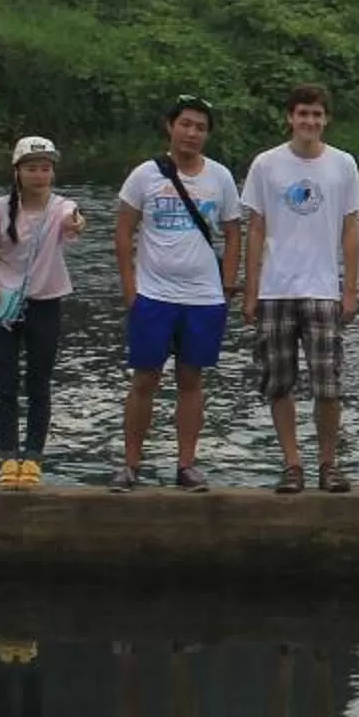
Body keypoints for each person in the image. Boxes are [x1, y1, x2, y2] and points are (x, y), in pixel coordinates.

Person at [239, 85, 359, 496]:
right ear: (289, 117)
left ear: (326, 119)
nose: (309, 121)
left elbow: (350, 230)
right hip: (276, 289)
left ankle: (329, 463)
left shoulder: (343, 164)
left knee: (328, 384)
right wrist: (250, 288)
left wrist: (350, 289)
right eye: (302, 114)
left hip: (323, 287)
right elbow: (255, 228)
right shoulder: (266, 164)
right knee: (280, 381)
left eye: (317, 114)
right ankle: (292, 464)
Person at [114, 97, 241, 492]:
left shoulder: (219, 177)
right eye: (185, 124)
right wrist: (130, 289)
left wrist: (228, 283)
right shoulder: (145, 175)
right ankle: (131, 465)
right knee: (144, 379)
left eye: (200, 127)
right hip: (153, 294)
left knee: (191, 380)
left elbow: (234, 231)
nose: (192, 133)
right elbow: (123, 230)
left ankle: (186, 465)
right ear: (170, 127)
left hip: (203, 297)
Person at [0, 134, 83, 487]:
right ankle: (8, 455)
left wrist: (77, 223)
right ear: (17, 172)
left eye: (46, 169)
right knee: (5, 383)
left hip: (46, 302)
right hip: (5, 302)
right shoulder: (1, 207)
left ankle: (34, 456)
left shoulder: (60, 206)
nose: (40, 175)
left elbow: (74, 220)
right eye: (32, 168)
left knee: (39, 382)